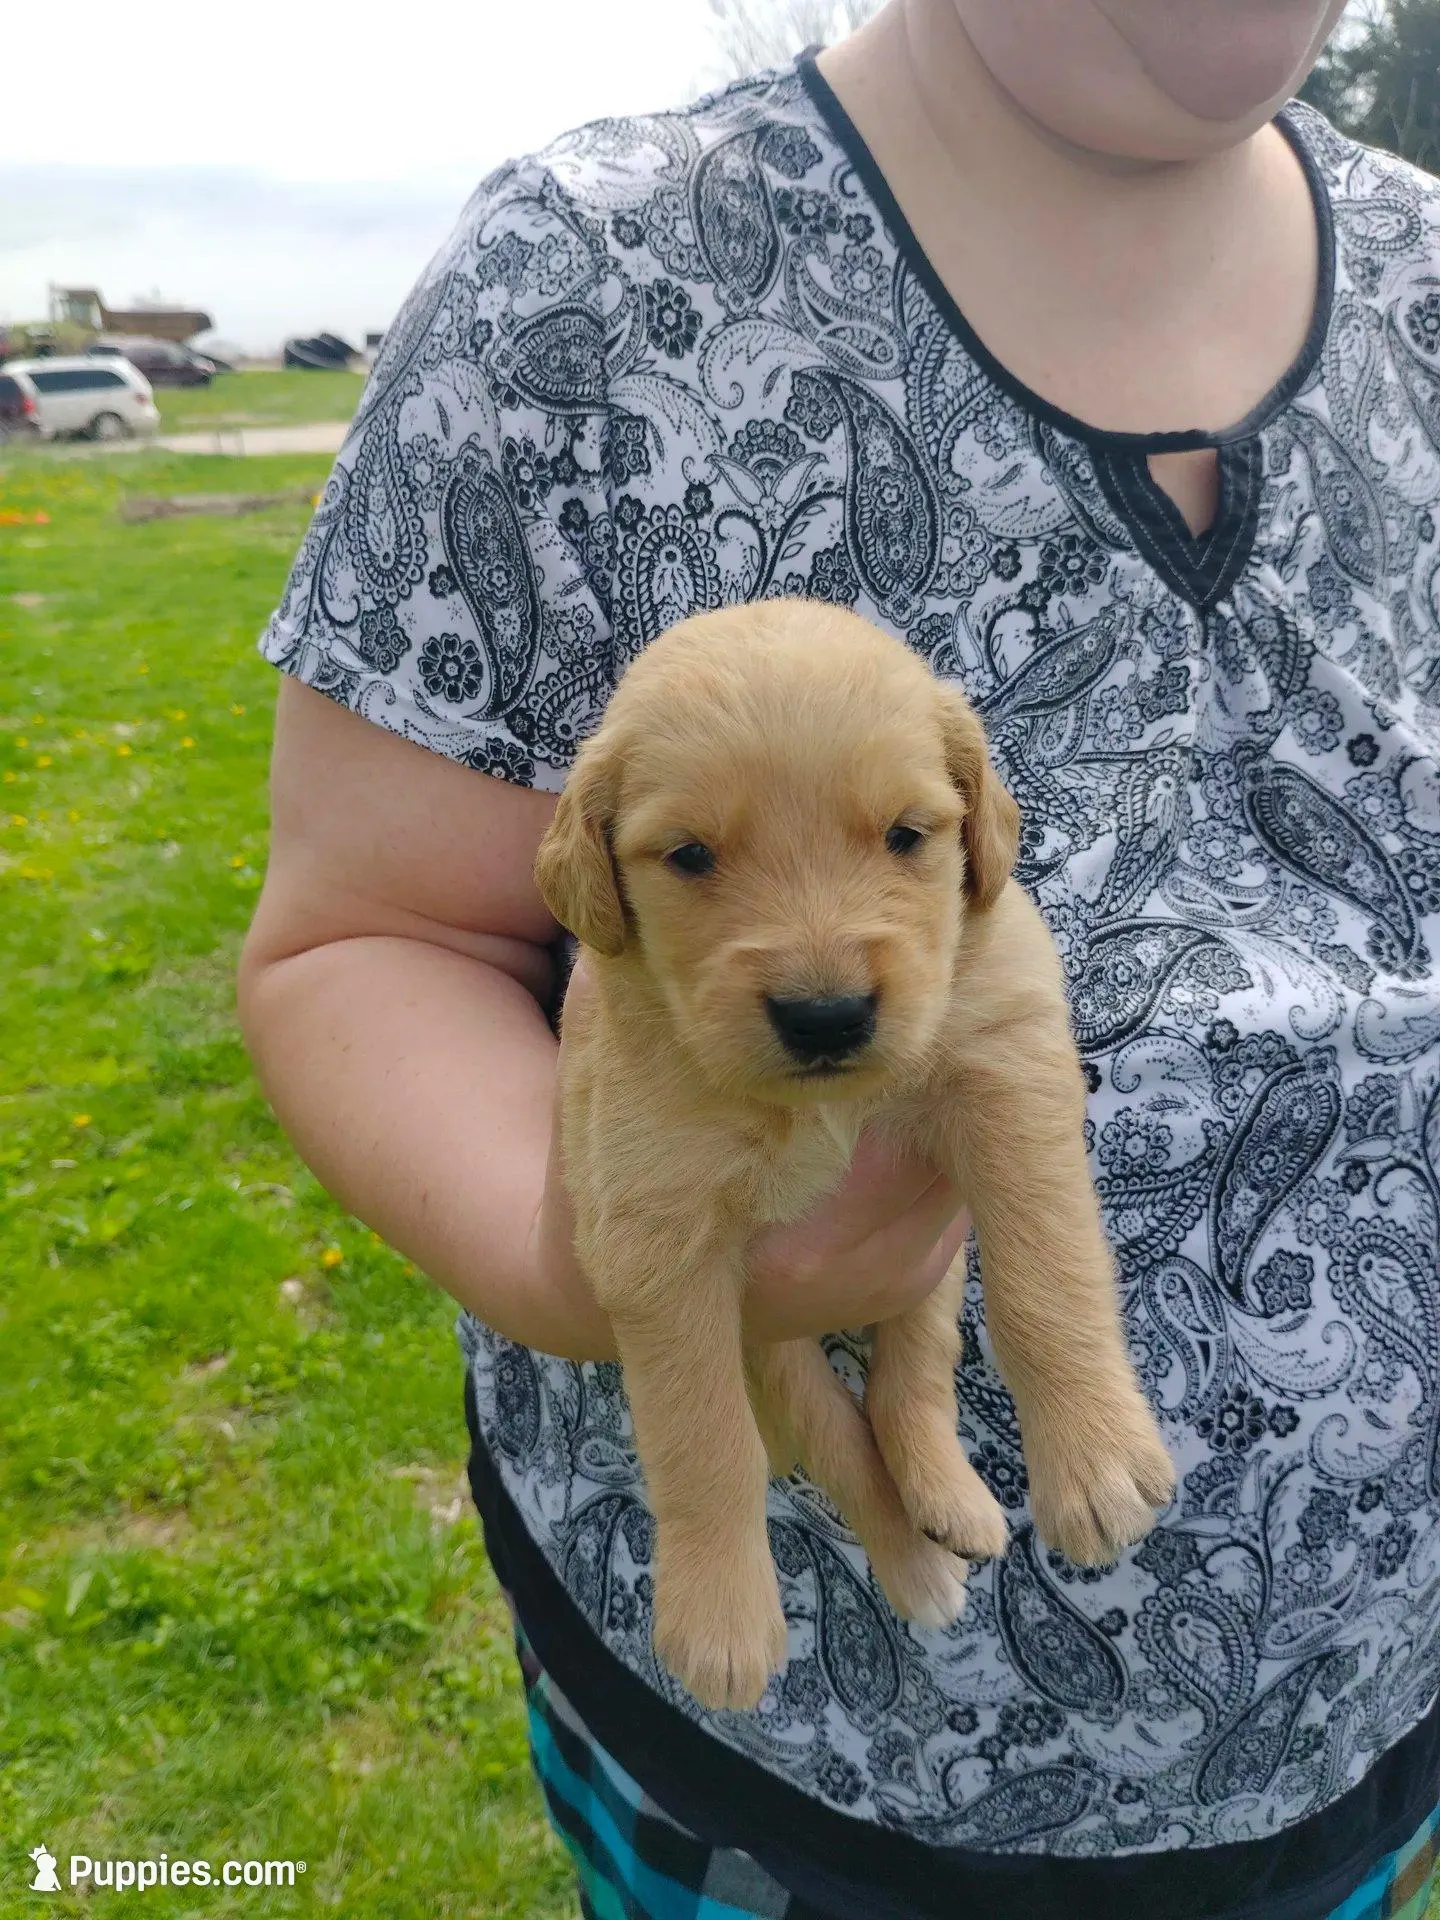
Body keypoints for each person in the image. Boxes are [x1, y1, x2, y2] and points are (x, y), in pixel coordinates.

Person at [237, 0, 1440, 1913]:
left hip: (1369, 1719)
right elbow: (364, 937)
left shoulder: (1425, 263)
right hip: (811, 1791)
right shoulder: (587, 278)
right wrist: (637, 1271)